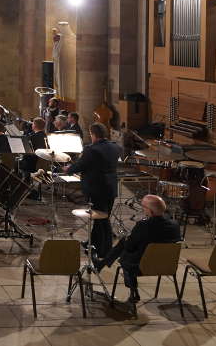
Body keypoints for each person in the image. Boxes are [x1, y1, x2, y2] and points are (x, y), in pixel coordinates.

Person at [95, 195, 181, 302]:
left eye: (143, 207)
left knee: (125, 255)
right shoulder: (175, 225)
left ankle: (133, 290)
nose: (142, 209)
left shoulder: (143, 225)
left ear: (149, 210)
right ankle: (102, 263)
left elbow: (130, 248)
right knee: (126, 242)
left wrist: (129, 239)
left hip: (142, 266)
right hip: (167, 266)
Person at [62, 122, 120, 258]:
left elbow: (82, 165)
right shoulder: (115, 147)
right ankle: (92, 242)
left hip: (96, 188)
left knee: (101, 219)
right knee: (104, 215)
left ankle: (104, 250)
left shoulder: (91, 149)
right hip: (110, 187)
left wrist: (68, 169)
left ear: (92, 134)